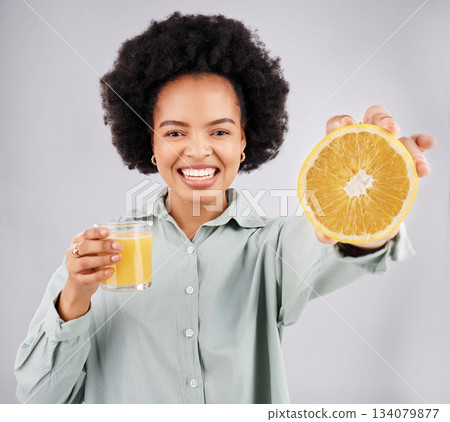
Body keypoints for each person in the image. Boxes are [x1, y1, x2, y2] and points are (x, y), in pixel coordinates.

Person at [14, 11, 435, 404]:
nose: (198, 151)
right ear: (152, 146)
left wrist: (380, 172)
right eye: (175, 132)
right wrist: (77, 296)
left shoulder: (272, 247)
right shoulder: (101, 254)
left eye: (219, 130)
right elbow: (37, 400)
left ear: (243, 141)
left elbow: (344, 237)